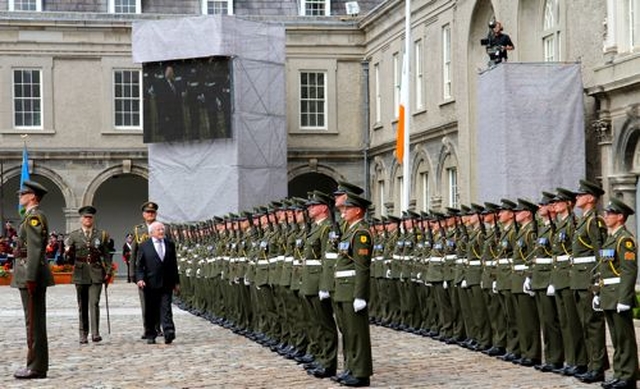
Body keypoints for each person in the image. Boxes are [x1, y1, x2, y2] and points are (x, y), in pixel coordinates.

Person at [11, 180, 54, 379]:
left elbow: (35, 249)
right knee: (33, 321)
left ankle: (36, 366)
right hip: (29, 273)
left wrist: (30, 277)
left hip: (31, 275)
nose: (19, 197)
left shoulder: (35, 217)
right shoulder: (30, 216)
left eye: (23, 194)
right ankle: (36, 364)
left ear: (33, 197)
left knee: (34, 322)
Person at [333, 192, 373, 387]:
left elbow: (362, 266)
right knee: (347, 332)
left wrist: (360, 295)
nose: (343, 211)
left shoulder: (361, 233)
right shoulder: (349, 231)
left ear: (358, 211)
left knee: (357, 333)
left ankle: (361, 372)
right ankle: (350, 367)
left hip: (351, 289)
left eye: (347, 208)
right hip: (342, 288)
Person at [597, 198, 638, 389]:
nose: (606, 216)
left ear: (620, 217)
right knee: (615, 337)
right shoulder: (610, 238)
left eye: (610, 213)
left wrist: (625, 298)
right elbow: (604, 269)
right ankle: (620, 372)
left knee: (624, 338)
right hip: (609, 294)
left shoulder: (625, 239)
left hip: (618, 295)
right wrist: (598, 292)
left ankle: (628, 376)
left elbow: (629, 271)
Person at [64, 205, 112, 344]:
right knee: (82, 304)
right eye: (85, 217)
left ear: (93, 219)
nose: (88, 220)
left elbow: (106, 255)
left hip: (96, 272)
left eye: (90, 217)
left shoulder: (101, 235)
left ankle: (95, 333)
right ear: (81, 219)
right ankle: (83, 333)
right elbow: (67, 259)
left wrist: (108, 271)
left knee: (94, 302)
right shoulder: (74, 236)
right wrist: (68, 253)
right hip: (80, 272)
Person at [136, 221, 180, 344]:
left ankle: (168, 331)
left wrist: (176, 282)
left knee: (166, 308)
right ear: (151, 233)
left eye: (162, 229)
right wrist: (140, 279)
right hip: (150, 283)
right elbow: (140, 265)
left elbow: (173, 264)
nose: (162, 231)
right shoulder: (144, 245)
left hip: (166, 281)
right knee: (151, 309)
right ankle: (150, 333)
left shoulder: (169, 244)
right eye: (159, 230)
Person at [131, 201, 161, 338]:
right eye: (148, 212)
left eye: (152, 212)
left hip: (158, 269)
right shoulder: (138, 230)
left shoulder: (160, 228)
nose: (150, 214)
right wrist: (132, 272)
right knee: (145, 302)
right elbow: (134, 253)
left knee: (159, 300)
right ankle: (148, 328)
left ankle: (157, 326)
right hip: (143, 270)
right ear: (143, 214)